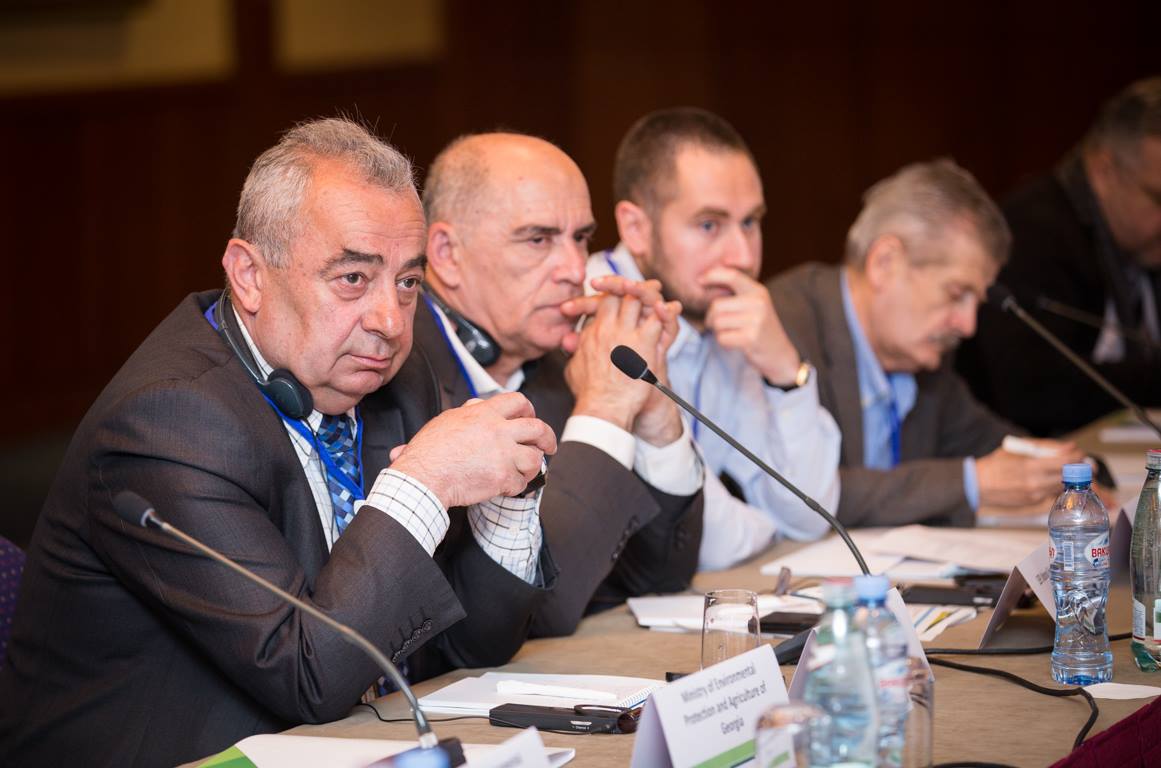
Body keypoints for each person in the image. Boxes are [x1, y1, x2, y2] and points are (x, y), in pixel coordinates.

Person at [0, 119, 561, 768]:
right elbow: (309, 674)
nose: (389, 321)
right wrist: (423, 485)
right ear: (249, 275)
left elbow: (468, 647)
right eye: (353, 278)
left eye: (407, 283)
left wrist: (507, 498)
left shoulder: (392, 380)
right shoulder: (168, 424)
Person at [418, 132, 703, 631]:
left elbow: (659, 576)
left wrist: (654, 410)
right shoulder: (395, 378)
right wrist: (606, 407)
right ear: (446, 253)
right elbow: (536, 611)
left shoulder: (560, 364)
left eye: (581, 238)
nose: (574, 269)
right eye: (538, 239)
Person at [590, 108, 841, 569]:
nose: (742, 256)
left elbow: (810, 516)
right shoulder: (599, 314)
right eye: (709, 225)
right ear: (636, 229)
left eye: (750, 222)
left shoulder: (720, 313)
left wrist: (786, 371)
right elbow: (707, 542)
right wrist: (767, 527)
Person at [769, 159, 1081, 528]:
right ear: (885, 263)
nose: (968, 326)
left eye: (975, 302)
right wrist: (971, 483)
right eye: (956, 294)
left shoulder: (921, 356)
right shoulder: (782, 330)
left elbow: (989, 441)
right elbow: (803, 495)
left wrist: (1072, 470)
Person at [957, 76, 1161, 435]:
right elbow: (1033, 390)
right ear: (1105, 171)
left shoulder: (1144, 241)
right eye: (1159, 199)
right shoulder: (1029, 235)